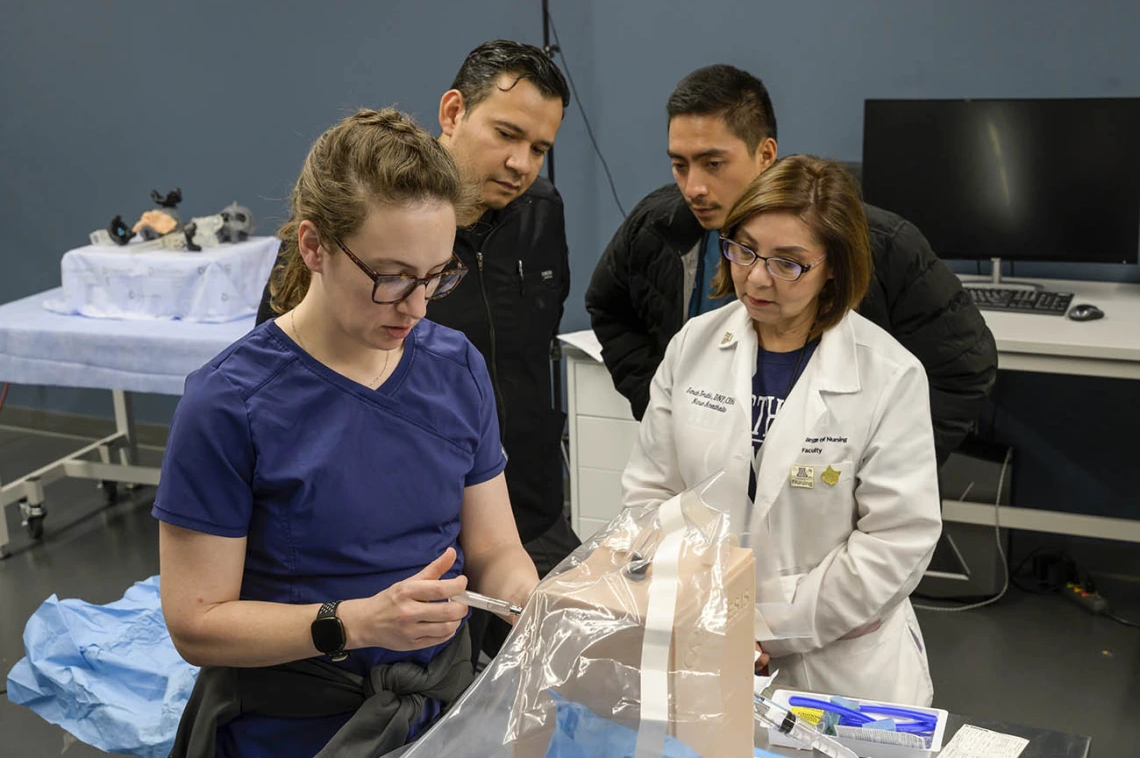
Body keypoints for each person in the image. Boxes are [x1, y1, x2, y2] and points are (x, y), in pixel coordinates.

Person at [156, 108, 540, 758]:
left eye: (436, 276)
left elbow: (496, 548)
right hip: (295, 727)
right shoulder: (229, 403)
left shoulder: (455, 366)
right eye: (391, 277)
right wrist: (358, 621)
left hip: (440, 714)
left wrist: (533, 604)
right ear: (314, 246)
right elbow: (198, 624)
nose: (417, 307)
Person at [256, 42, 578, 660]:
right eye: (507, 133)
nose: (521, 163)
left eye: (540, 148)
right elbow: (282, 377)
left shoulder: (542, 214)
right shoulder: (355, 230)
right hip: (399, 531)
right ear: (454, 112)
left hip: (521, 510)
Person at [622, 155, 942, 706]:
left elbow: (897, 539)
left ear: (835, 266)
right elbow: (651, 493)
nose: (757, 276)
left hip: (838, 664)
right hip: (705, 636)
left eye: (789, 263)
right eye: (744, 249)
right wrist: (703, 604)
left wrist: (769, 624)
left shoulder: (889, 375)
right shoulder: (693, 347)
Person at [586, 65, 996, 467]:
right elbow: (608, 307)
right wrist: (663, 406)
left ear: (765, 154)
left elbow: (964, 367)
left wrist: (887, 462)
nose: (694, 187)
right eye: (680, 164)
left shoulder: (880, 245)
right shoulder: (655, 228)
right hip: (712, 485)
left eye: (713, 164)